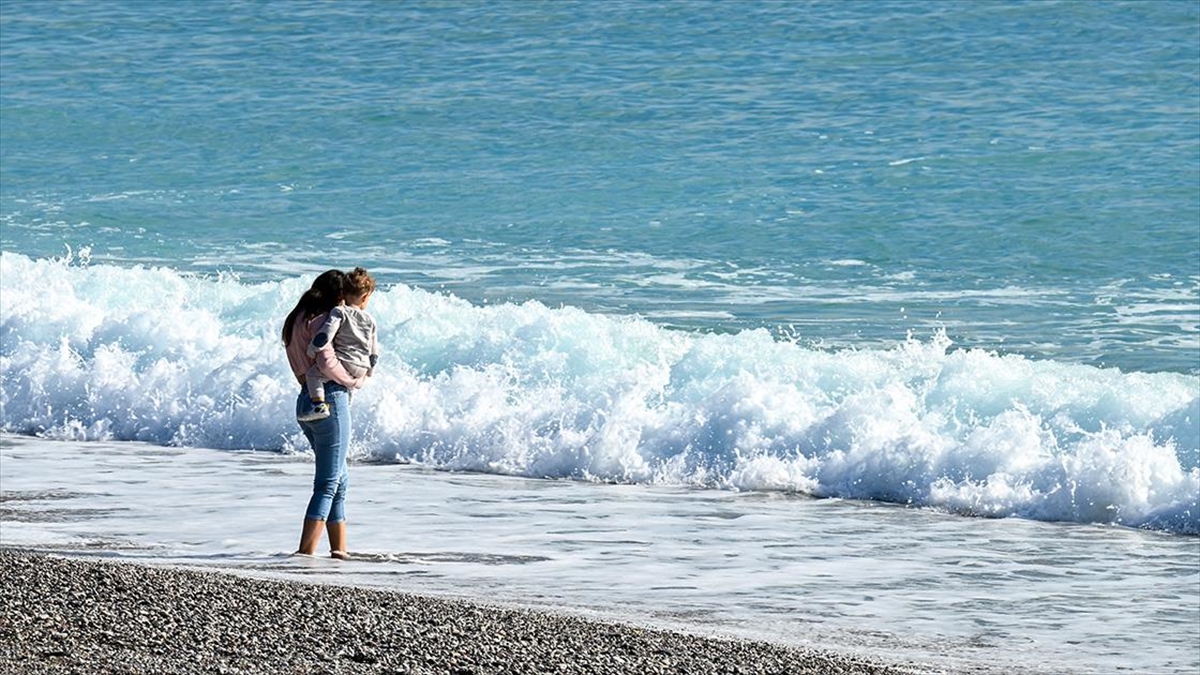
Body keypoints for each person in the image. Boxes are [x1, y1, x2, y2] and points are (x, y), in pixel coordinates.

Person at [281, 269, 369, 559]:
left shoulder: (296, 320)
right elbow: (325, 358)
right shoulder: (323, 319)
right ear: (339, 295)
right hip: (331, 400)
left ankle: (339, 549)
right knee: (329, 482)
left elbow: (301, 366)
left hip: (306, 400)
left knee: (339, 479)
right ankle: (305, 552)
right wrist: (352, 380)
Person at [297, 267, 379, 422]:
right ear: (365, 297)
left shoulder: (339, 312)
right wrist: (369, 371)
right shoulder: (370, 320)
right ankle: (345, 407)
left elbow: (326, 334)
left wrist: (313, 349)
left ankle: (319, 405)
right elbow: (374, 352)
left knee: (313, 375)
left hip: (344, 361)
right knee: (349, 389)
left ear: (343, 294)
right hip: (361, 366)